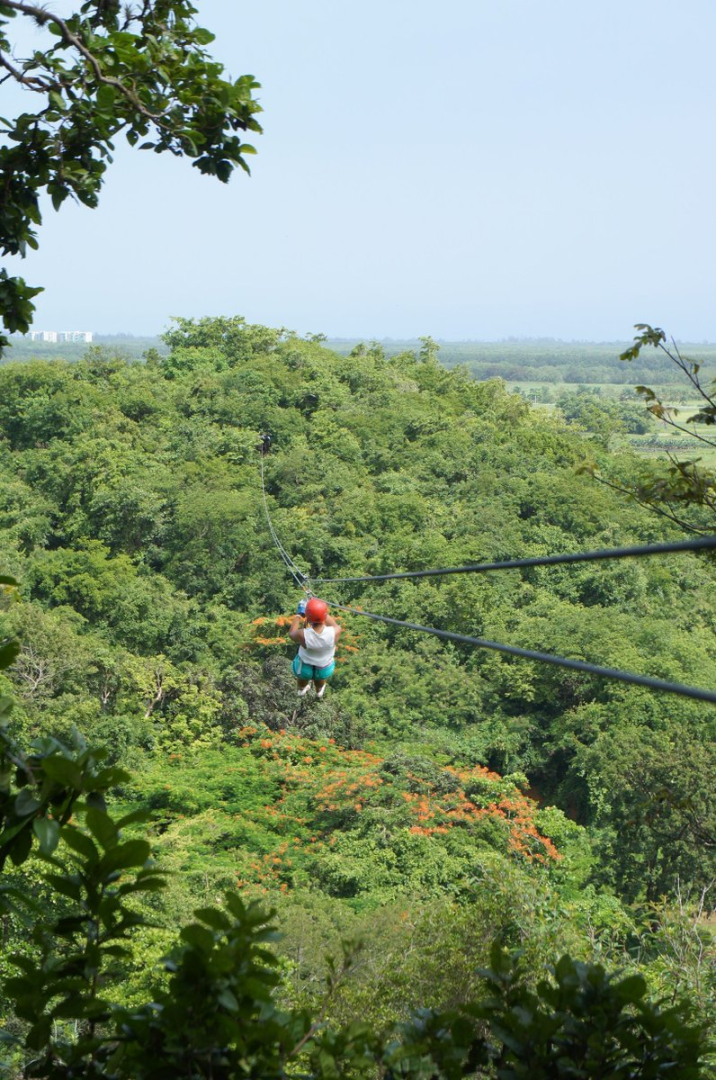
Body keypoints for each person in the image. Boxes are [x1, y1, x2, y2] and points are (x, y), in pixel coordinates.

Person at [289, 597, 342, 699]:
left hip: (304, 667)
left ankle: (301, 690)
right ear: (325, 615)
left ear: (308, 617)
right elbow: (334, 624)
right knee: (320, 680)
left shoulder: (303, 634)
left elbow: (291, 633)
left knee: (302, 679)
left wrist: (299, 615)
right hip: (324, 667)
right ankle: (318, 692)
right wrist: (320, 610)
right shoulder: (335, 632)